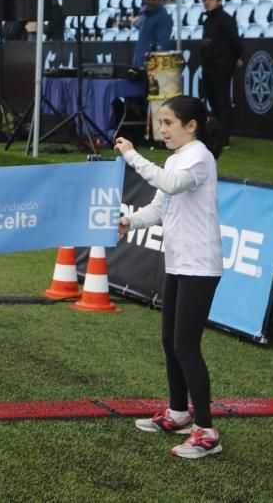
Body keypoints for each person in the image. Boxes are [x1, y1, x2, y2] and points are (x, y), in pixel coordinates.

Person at [114, 95, 224, 459]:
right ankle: (178, 413)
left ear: (191, 126)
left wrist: (131, 155)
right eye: (160, 123)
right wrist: (129, 222)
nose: (162, 130)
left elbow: (171, 184)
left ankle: (206, 432)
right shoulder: (178, 158)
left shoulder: (199, 157)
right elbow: (159, 208)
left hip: (199, 266)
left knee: (186, 346)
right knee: (170, 341)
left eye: (168, 123)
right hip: (178, 263)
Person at [199, 0, 243, 148]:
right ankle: (217, 135)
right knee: (214, 102)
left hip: (222, 66)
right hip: (208, 65)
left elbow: (235, 42)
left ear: (219, 1)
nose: (207, 2)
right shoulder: (208, 20)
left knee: (223, 101)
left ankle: (224, 139)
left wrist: (234, 58)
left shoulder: (225, 19)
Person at [133, 0, 174, 67]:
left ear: (159, 0)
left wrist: (154, 67)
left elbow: (163, 45)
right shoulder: (145, 15)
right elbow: (139, 25)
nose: (150, 1)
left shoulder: (164, 18)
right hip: (139, 63)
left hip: (152, 67)